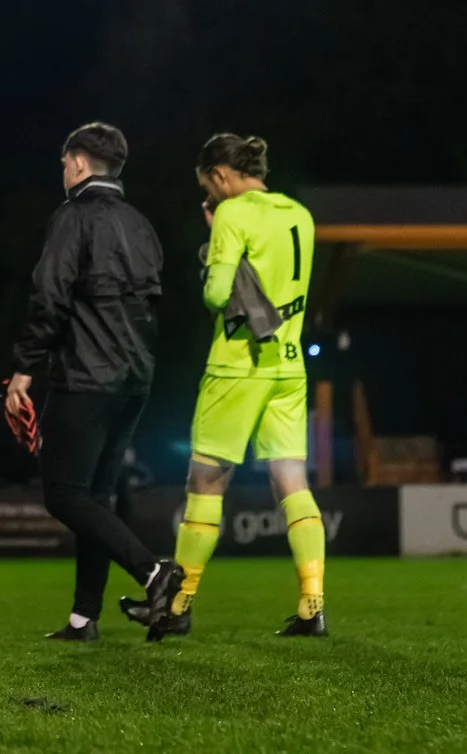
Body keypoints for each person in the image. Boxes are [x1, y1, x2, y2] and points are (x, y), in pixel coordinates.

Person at [135, 133, 326, 641]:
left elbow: (217, 294)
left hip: (238, 367)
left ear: (220, 176)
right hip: (288, 367)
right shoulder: (301, 215)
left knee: (205, 486)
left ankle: (178, 606)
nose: (210, 198)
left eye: (208, 188)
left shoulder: (232, 215)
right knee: (292, 482)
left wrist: (217, 235)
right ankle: (312, 605)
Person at [5, 122, 179, 643]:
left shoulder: (72, 217)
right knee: (96, 500)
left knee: (64, 495)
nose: (62, 171)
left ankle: (153, 573)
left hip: (87, 376)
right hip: (135, 378)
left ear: (79, 163)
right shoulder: (140, 223)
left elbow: (50, 297)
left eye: (64, 163)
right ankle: (84, 619)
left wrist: (24, 368)